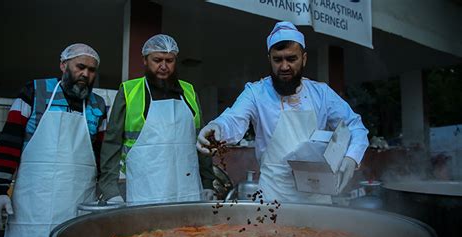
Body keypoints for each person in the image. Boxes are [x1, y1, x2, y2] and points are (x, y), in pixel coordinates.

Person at [197, 21, 369, 204]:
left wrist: (352, 157)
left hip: (316, 196)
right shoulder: (256, 93)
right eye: (277, 59)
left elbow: (355, 126)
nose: (284, 66)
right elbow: (233, 119)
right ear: (269, 59)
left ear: (304, 58)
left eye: (291, 59)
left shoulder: (322, 93)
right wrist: (217, 128)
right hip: (272, 197)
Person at [0, 43, 107, 237]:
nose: (86, 74)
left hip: (77, 203)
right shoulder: (35, 92)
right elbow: (9, 142)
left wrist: (106, 192)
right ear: (64, 66)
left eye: (92, 70)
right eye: (80, 67)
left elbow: (100, 156)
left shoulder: (98, 105)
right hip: (33, 207)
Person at [98, 34, 215, 205]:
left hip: (188, 190)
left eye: (169, 60)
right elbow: (112, 143)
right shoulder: (129, 92)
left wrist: (207, 183)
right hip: (145, 191)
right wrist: (110, 190)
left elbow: (201, 142)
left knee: (190, 232)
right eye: (157, 60)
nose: (163, 66)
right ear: (145, 60)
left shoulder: (189, 92)